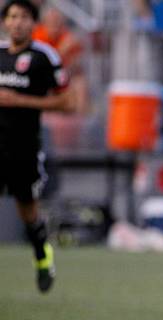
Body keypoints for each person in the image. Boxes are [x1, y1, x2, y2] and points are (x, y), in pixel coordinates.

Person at [0, 0, 74, 293]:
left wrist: (21, 101)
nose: (18, 23)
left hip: (23, 148)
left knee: (27, 211)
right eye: (13, 17)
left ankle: (42, 255)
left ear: (34, 23)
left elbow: (67, 102)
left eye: (24, 17)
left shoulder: (45, 57)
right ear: (5, 22)